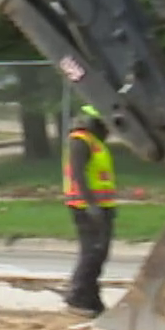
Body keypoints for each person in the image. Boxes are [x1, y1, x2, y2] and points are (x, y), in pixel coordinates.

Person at [62, 105, 118, 317]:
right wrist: (91, 204)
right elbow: (78, 173)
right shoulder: (80, 140)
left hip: (102, 207)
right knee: (92, 253)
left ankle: (92, 301)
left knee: (99, 253)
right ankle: (77, 297)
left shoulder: (96, 143)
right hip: (85, 207)